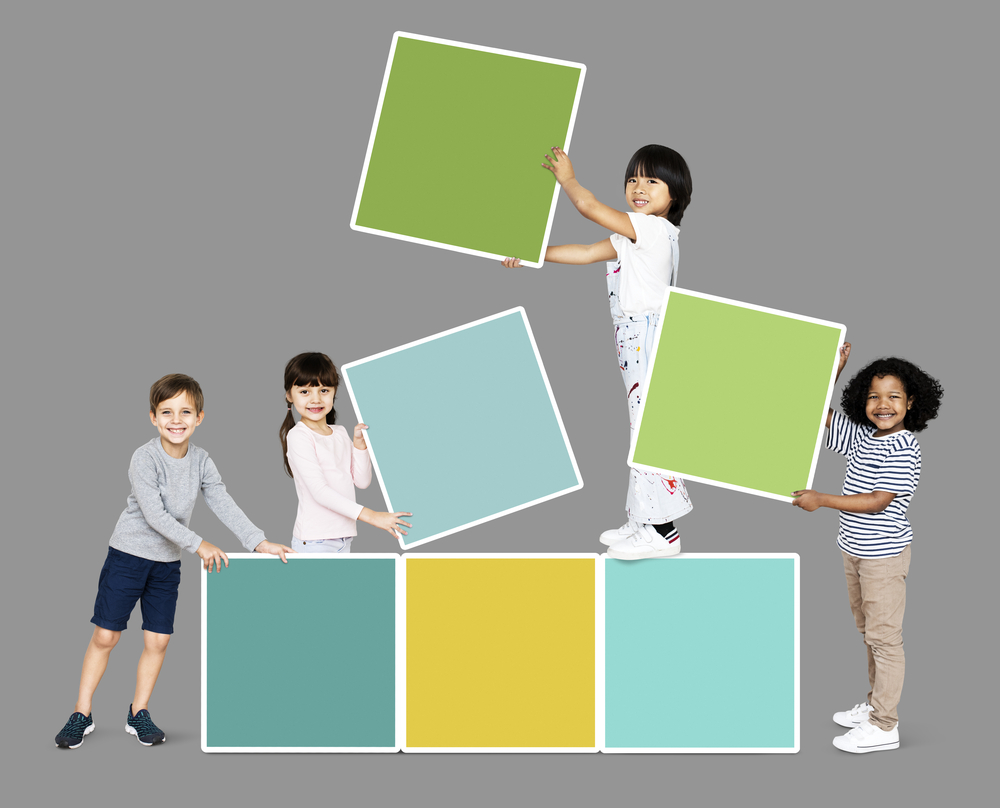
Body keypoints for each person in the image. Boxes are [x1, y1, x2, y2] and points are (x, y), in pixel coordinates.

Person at [55, 374, 293, 749]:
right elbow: (155, 516)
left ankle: (139, 712)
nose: (176, 419)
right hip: (128, 557)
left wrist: (257, 541)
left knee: (159, 640)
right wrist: (200, 545)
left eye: (185, 411)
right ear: (153, 417)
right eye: (167, 411)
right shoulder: (144, 457)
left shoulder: (201, 460)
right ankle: (81, 714)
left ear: (200, 417)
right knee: (106, 635)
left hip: (166, 564)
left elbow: (222, 501)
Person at [503, 145, 693, 559]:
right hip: (635, 341)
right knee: (641, 430)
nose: (638, 187)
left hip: (647, 340)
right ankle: (643, 521)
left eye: (651, 181)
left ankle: (661, 532)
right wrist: (533, 255)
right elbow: (587, 253)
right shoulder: (634, 234)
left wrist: (567, 178)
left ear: (674, 195)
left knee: (647, 435)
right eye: (632, 179)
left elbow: (588, 206)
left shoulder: (653, 230)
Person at [793, 343, 942, 753]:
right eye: (874, 395)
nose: (883, 404)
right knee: (868, 633)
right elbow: (819, 416)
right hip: (853, 550)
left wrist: (821, 499)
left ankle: (884, 725)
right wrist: (834, 370)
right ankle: (876, 704)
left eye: (894, 396)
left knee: (885, 639)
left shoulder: (904, 447)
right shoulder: (863, 436)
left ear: (911, 403)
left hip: (883, 557)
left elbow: (878, 500)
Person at [280, 352, 412, 553]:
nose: (315, 399)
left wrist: (359, 445)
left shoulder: (340, 432)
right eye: (305, 392)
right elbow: (320, 492)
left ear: (334, 392)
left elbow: (362, 481)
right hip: (315, 541)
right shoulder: (298, 436)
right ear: (289, 395)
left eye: (324, 390)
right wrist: (373, 516)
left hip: (344, 538)